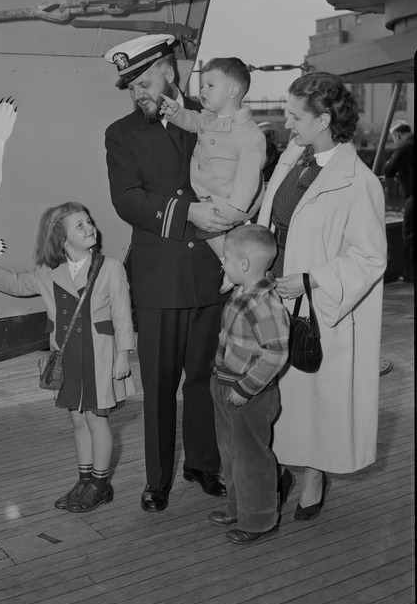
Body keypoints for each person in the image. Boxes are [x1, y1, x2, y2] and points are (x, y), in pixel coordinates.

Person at [104, 33, 227, 512]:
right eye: (130, 87)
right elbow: (126, 199)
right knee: (158, 385)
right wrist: (189, 214)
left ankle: (202, 464)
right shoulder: (121, 133)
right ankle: (157, 480)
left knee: (203, 376)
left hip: (211, 267)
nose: (138, 95)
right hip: (160, 275)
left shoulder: (212, 117)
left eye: (144, 82)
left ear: (170, 74)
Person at [257, 72, 387, 520]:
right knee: (280, 398)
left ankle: (314, 473)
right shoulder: (299, 163)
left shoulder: (359, 182)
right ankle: (282, 468)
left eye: (295, 117)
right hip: (275, 300)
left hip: (318, 306)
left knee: (313, 398)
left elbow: (370, 257)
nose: (287, 125)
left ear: (324, 119)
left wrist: (312, 279)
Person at [0, 201, 136, 513]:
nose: (90, 226)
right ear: (61, 240)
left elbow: (122, 316)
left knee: (96, 419)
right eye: (79, 225)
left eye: (88, 221)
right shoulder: (48, 273)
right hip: (68, 359)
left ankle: (100, 483)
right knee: (78, 420)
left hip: (100, 358)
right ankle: (84, 480)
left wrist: (123, 356)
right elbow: (15, 282)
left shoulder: (111, 268)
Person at [207, 224, 290, 544]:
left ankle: (259, 520)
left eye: (224, 258)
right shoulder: (243, 291)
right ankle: (238, 506)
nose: (221, 264)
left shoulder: (265, 305)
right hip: (225, 385)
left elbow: (276, 352)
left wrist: (245, 389)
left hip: (249, 395)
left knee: (250, 458)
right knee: (230, 454)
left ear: (243, 264)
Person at [159, 57, 266, 290]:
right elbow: (192, 120)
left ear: (233, 91)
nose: (203, 90)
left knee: (210, 230)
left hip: (228, 202)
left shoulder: (247, 133)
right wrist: (176, 112)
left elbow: (249, 177)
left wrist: (234, 209)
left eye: (210, 85)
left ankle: (231, 267)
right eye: (203, 85)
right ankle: (232, 265)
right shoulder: (209, 118)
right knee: (213, 233)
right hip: (210, 195)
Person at [383, 120, 414, 282]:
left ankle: (410, 276)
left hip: (413, 199)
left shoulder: (405, 146)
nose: (394, 143)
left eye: (393, 139)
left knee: (409, 235)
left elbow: (388, 170)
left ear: (397, 135)